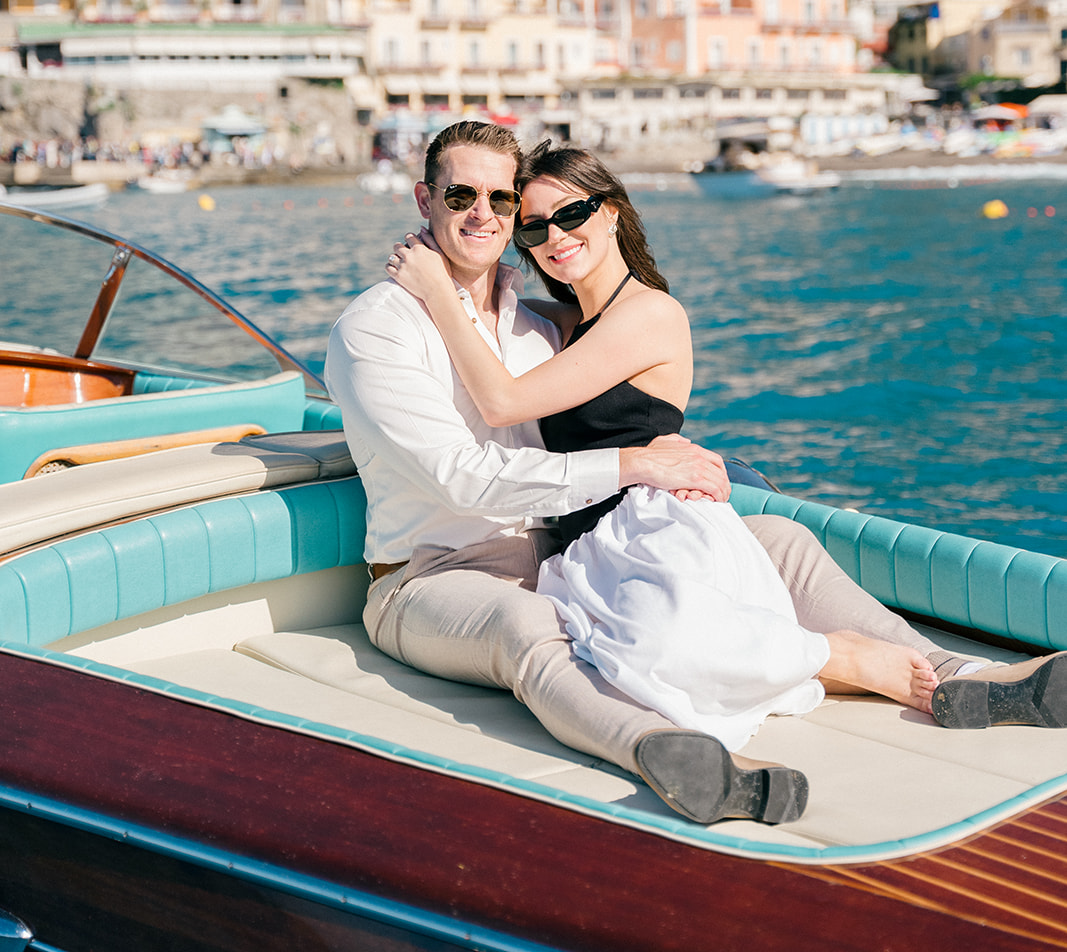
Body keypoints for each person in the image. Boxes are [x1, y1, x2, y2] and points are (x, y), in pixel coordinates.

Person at [326, 121, 1067, 830]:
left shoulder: (536, 325)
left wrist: (674, 457)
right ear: (424, 201)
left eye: (502, 200)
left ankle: (961, 677)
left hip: (561, 554)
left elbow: (614, 389)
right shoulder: (379, 328)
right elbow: (464, 480)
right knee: (530, 624)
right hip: (430, 576)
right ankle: (662, 752)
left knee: (775, 536)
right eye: (460, 197)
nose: (483, 214)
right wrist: (638, 461)